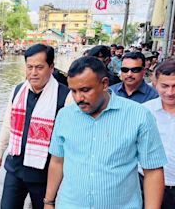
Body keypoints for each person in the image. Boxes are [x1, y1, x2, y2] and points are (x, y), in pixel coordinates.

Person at [44, 56, 167, 209]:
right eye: (73, 91)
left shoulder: (139, 116)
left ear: (104, 84)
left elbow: (153, 171)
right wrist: (49, 202)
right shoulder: (65, 116)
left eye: (85, 90)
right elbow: (57, 162)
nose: (78, 98)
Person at [0, 44, 69, 209]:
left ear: (51, 67)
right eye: (30, 67)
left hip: (45, 174)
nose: (33, 73)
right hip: (16, 168)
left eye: (39, 67)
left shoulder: (65, 96)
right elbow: (8, 123)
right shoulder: (18, 91)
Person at [141, 60, 175, 209]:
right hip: (144, 186)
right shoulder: (144, 112)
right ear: (154, 84)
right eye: (165, 86)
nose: (170, 92)